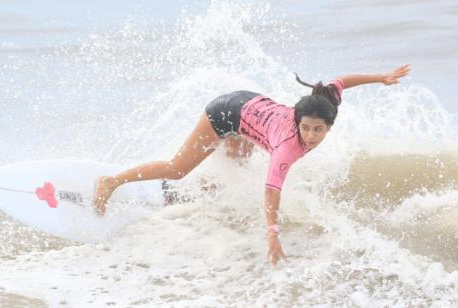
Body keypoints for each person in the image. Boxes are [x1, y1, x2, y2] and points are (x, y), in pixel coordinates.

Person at [93, 64, 411, 266]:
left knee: (237, 164)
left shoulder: (324, 103)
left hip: (250, 106)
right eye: (306, 128)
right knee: (179, 167)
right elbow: (272, 191)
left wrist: (380, 78)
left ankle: (189, 192)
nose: (311, 136)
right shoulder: (288, 147)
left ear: (329, 125)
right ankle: (112, 181)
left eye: (318, 130)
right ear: (298, 122)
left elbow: (342, 81)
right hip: (227, 112)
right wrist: (273, 232)